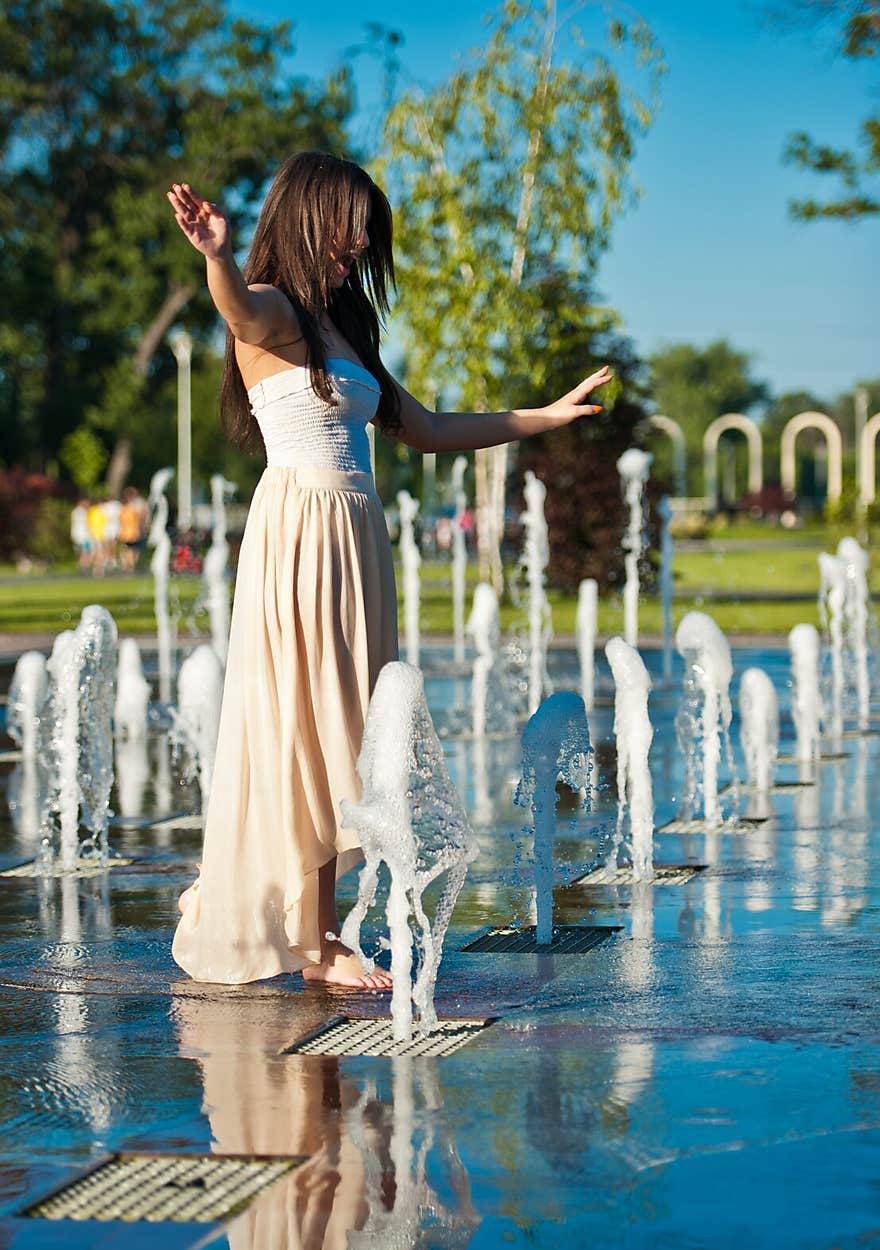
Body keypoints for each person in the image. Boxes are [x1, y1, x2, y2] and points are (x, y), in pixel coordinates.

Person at [165, 153, 611, 990]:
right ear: (306, 218)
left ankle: (230, 896)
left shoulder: (344, 327)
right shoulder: (276, 314)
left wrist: (546, 415)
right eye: (348, 221)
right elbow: (237, 309)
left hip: (356, 540)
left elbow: (430, 427)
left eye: (367, 225)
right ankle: (318, 939)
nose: (360, 240)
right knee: (316, 725)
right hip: (302, 534)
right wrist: (217, 258)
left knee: (356, 728)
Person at [119, 486, 149, 573]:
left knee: (131, 550)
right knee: (132, 550)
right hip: (132, 532)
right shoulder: (132, 507)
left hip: (130, 532)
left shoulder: (127, 507)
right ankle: (129, 567)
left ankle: (129, 567)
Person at [70, 497, 92, 571]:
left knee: (83, 552)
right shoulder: (83, 512)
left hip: (78, 535)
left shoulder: (75, 511)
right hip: (83, 536)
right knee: (85, 552)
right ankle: (83, 567)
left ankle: (83, 566)